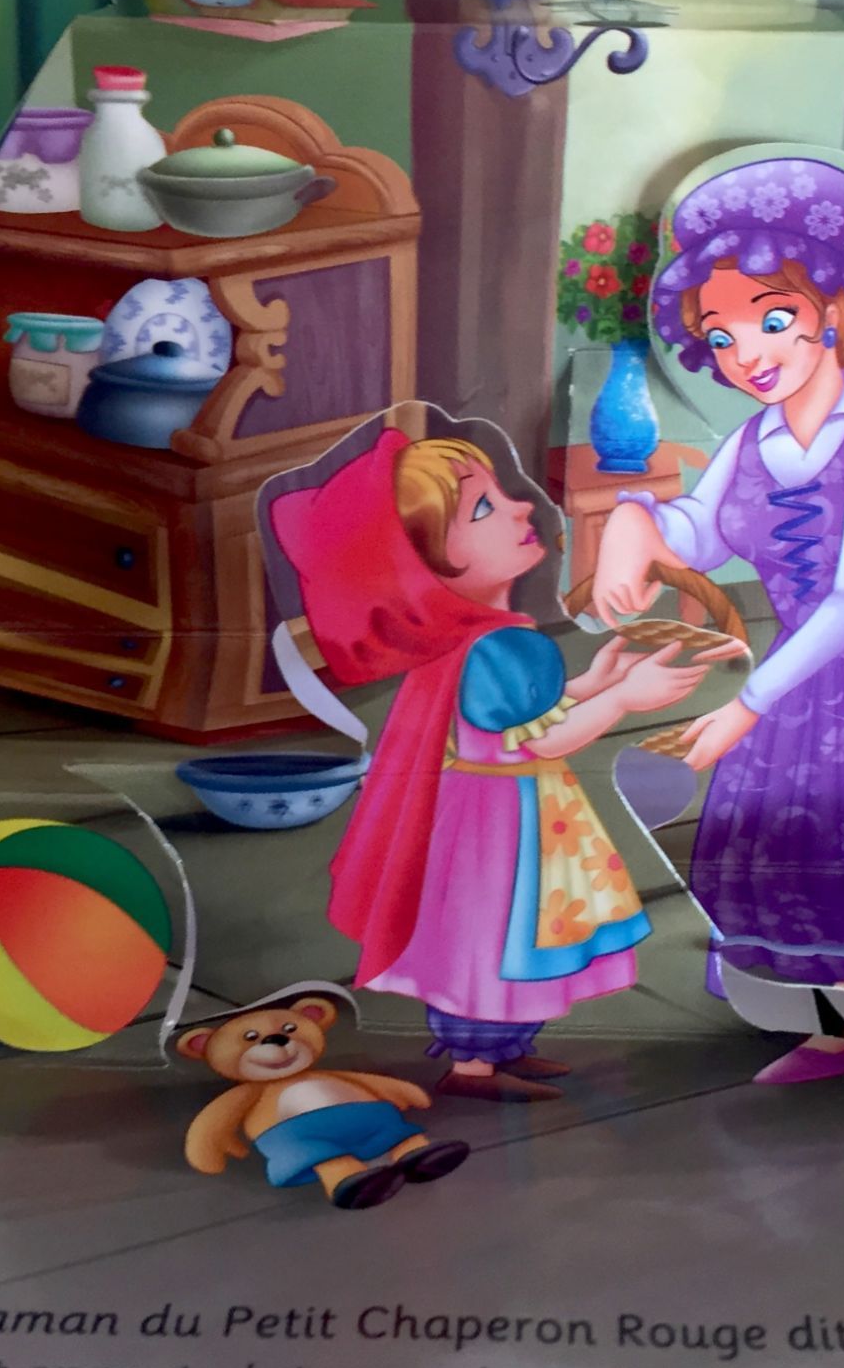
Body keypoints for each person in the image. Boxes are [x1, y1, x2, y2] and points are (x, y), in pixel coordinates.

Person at [591, 155, 844, 1085]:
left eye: (772, 321)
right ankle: (832, 1029)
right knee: (793, 849)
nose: (749, 354)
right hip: (796, 676)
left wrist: (748, 705)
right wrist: (633, 524)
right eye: (722, 337)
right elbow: (701, 532)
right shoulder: (752, 437)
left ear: (833, 311)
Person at [270, 429, 715, 1101]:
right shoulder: (492, 647)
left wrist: (590, 685)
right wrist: (623, 698)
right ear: (429, 567)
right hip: (500, 825)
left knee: (512, 938)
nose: (521, 506)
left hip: (503, 808)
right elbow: (540, 741)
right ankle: (475, 1065)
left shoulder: (480, 640)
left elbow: (516, 722)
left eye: (503, 495)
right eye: (483, 509)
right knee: (494, 936)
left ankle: (505, 1050)